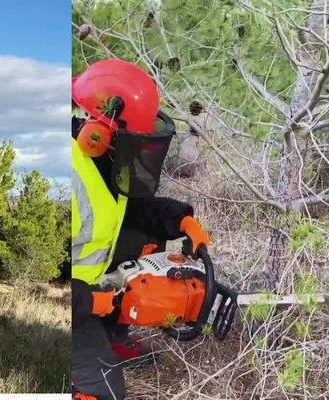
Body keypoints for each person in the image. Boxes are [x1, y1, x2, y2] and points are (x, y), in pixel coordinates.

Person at [71, 59, 210, 400]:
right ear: (97, 132)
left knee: (146, 239)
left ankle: (111, 337)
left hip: (89, 289)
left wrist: (180, 219)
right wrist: (90, 301)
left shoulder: (101, 160)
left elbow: (126, 207)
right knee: (104, 391)